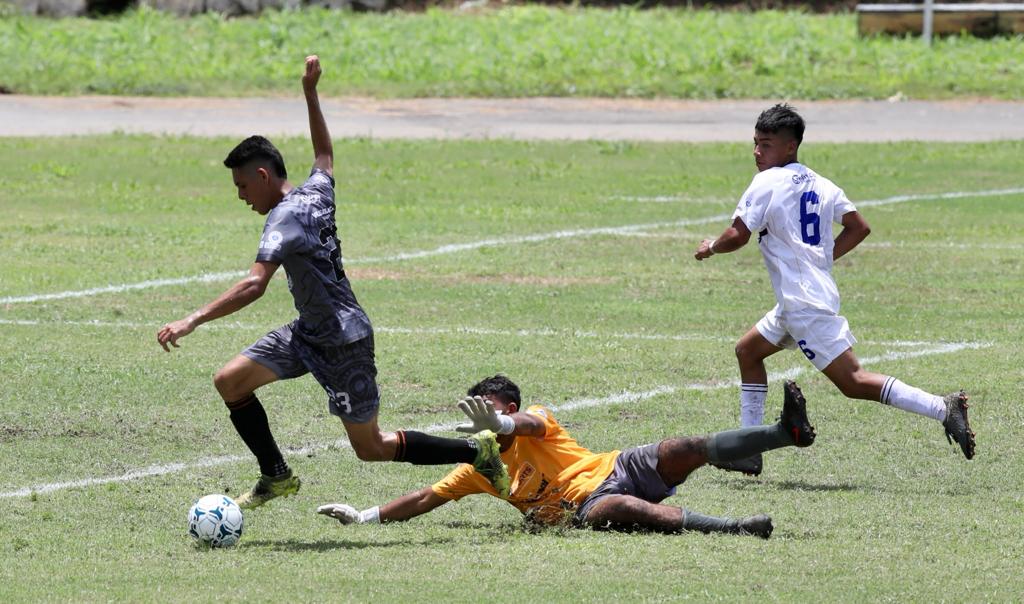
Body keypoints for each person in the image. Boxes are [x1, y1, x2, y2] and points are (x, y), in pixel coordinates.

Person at [156, 55, 509, 508]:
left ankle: (476, 452)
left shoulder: (282, 221)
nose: (241, 196)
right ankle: (276, 475)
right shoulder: (315, 191)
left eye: (242, 186)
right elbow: (324, 154)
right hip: (308, 330)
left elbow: (253, 285)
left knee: (372, 448)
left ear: (263, 176)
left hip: (343, 341)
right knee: (231, 381)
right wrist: (310, 92)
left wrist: (192, 320)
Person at [693, 103, 975, 476]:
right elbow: (859, 226)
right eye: (755, 143)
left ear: (790, 147)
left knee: (854, 381)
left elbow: (737, 235)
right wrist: (821, 262)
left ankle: (944, 407)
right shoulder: (821, 183)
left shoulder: (766, 182)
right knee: (748, 351)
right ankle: (748, 448)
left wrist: (710, 247)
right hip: (799, 300)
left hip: (803, 305)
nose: (758, 152)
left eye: (766, 144)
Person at [316, 375, 817, 538]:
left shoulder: (533, 419)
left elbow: (530, 423)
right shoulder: (481, 468)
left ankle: (783, 431)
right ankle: (734, 527)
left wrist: (505, 425)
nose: (478, 417)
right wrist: (363, 515)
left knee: (684, 448)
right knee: (620, 510)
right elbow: (425, 497)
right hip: (586, 508)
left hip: (619, 466)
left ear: (507, 408)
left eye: (487, 409)